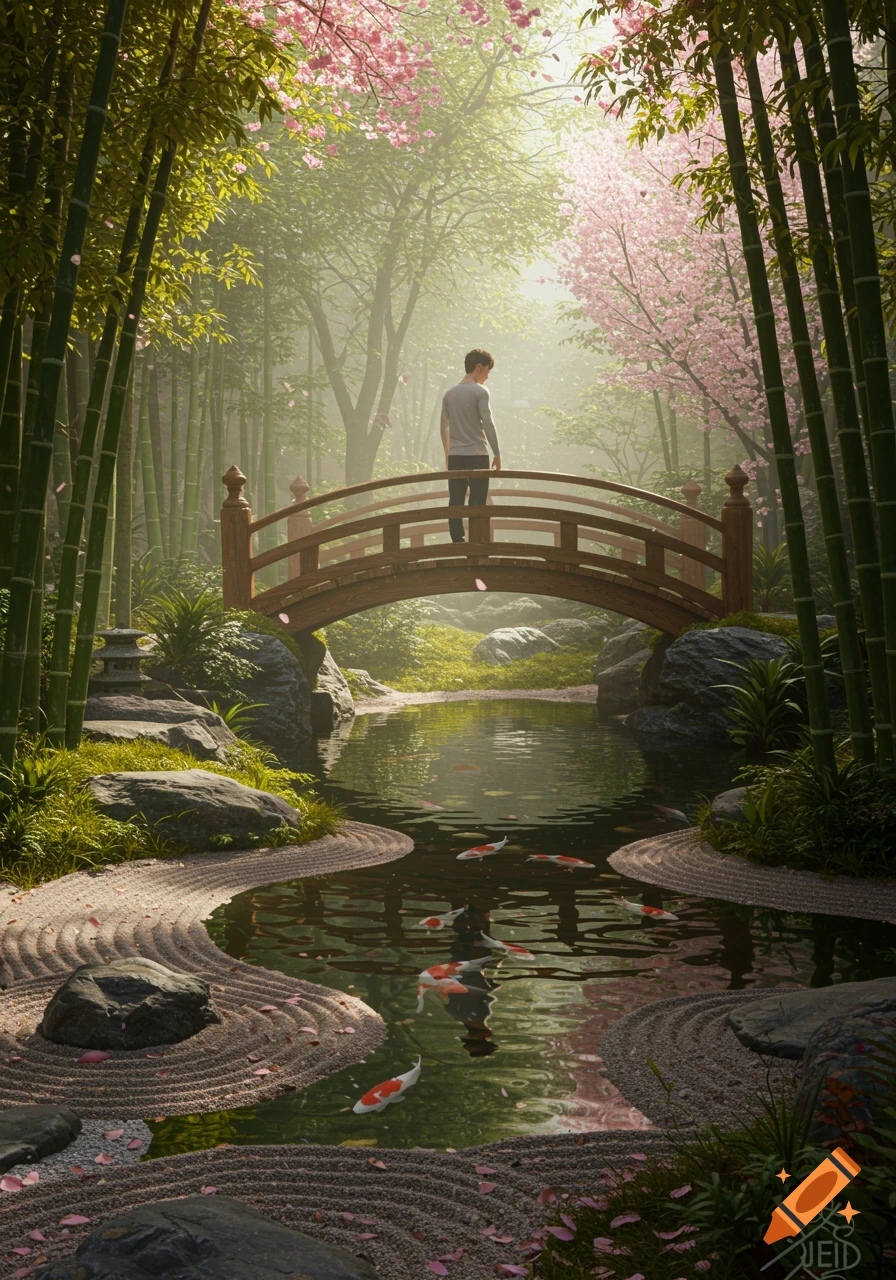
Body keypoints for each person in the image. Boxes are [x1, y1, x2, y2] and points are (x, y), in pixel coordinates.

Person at [439, 348, 502, 543]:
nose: (487, 377)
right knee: (477, 501)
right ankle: (475, 541)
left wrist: (448, 453)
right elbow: (488, 423)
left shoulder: (449, 394)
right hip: (477, 454)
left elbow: (444, 427)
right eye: (487, 371)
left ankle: (458, 542)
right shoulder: (480, 391)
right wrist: (497, 453)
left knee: (455, 501)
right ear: (479, 367)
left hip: (456, 456)